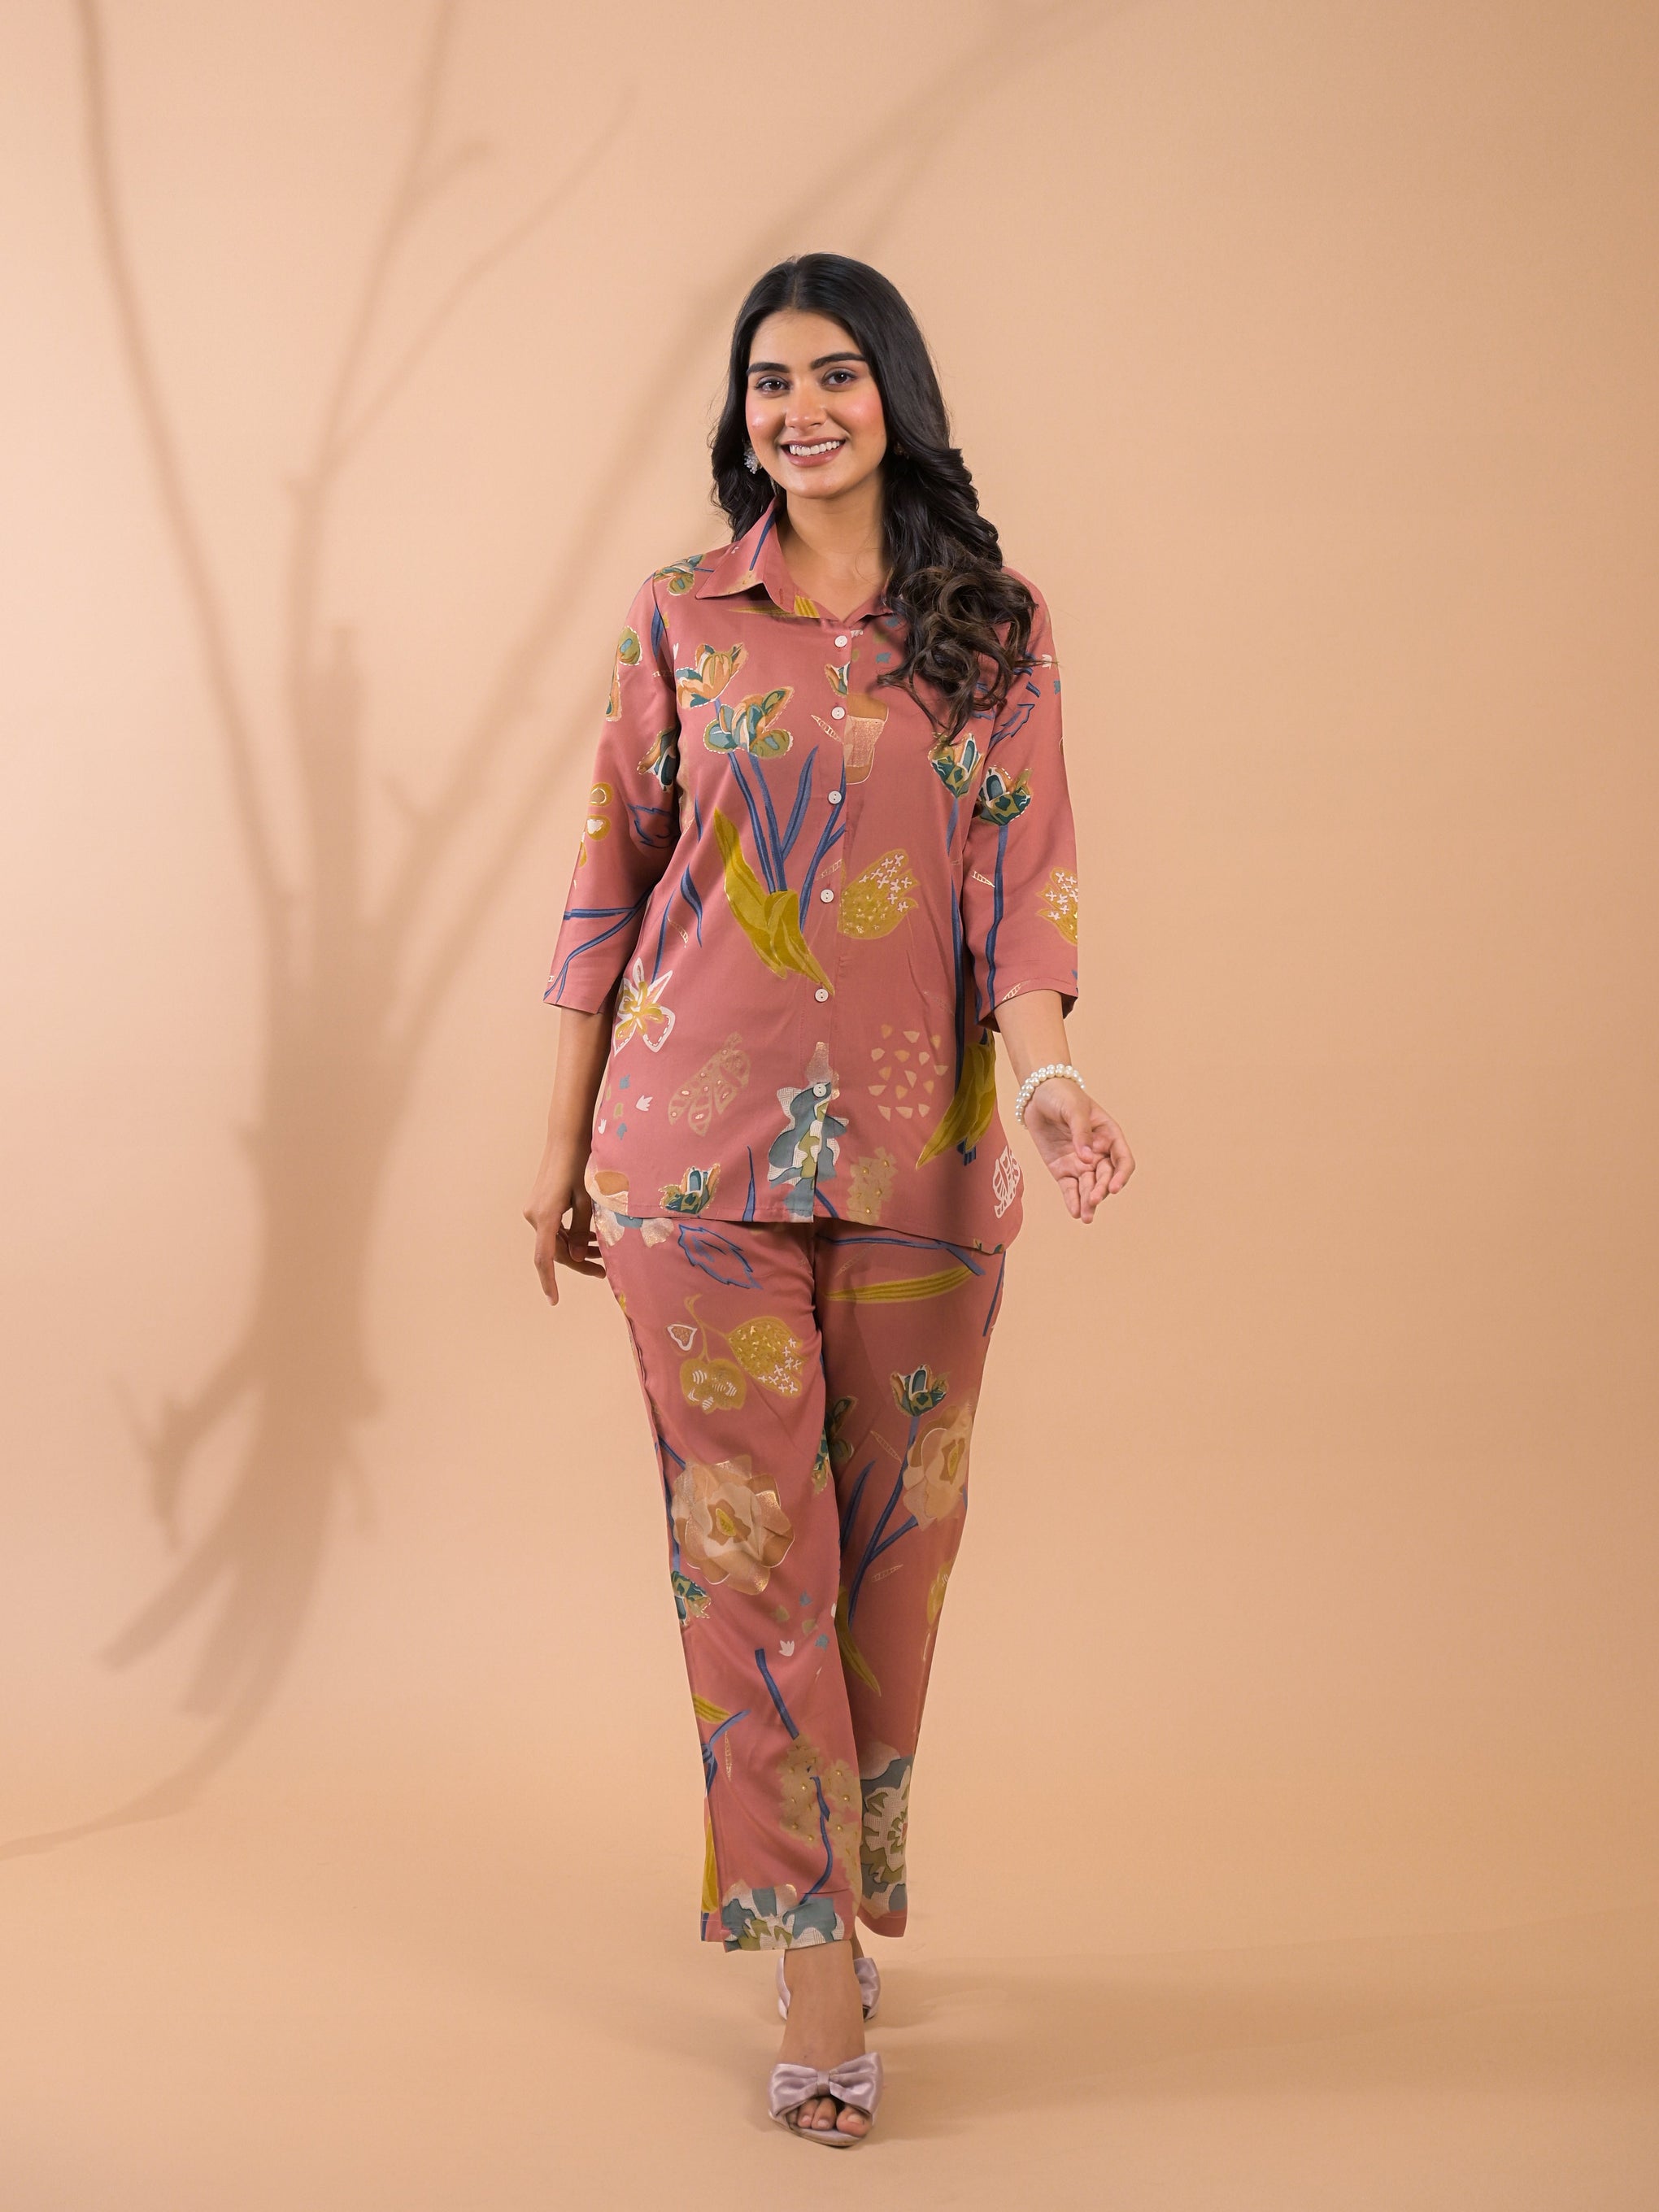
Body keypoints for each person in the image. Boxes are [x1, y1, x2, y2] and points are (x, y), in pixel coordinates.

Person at [524, 251, 1134, 2147]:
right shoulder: (681, 619)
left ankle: (847, 1878)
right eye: (772, 381)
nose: (802, 410)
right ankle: (808, 1961)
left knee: (889, 1561)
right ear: (745, 413)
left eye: (838, 375)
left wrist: (1045, 1079)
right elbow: (608, 881)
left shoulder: (995, 629)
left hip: (920, 1155)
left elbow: (1021, 896)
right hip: (687, 1156)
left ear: (897, 398)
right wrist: (554, 1151)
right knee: (748, 1553)